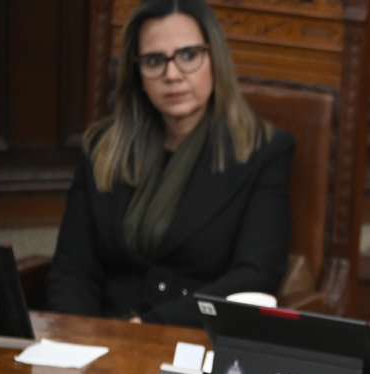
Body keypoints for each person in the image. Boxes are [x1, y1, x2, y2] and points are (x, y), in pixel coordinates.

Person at [46, 0, 292, 327]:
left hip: (193, 335)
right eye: (154, 61)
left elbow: (254, 277)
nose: (172, 75)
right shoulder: (102, 147)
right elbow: (73, 269)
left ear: (215, 59)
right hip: (100, 335)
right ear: (138, 73)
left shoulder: (264, 152)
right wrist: (77, 337)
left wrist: (145, 328)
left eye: (188, 56)